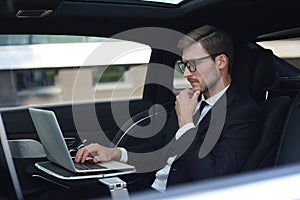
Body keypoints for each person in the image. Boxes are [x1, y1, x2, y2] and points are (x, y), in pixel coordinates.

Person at [75, 25, 262, 192]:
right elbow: (158, 150)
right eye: (184, 65)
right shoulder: (191, 100)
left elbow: (212, 177)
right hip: (148, 188)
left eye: (193, 65)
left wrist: (187, 124)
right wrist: (113, 153)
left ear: (221, 62)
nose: (187, 74)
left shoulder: (243, 114)